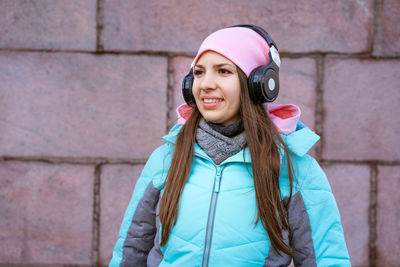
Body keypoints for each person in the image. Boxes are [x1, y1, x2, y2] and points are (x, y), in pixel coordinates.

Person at [109, 24, 351, 267]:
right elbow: (130, 252)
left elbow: (325, 261)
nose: (205, 84)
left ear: (259, 84)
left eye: (223, 71)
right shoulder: (165, 159)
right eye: (199, 72)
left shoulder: (297, 169)